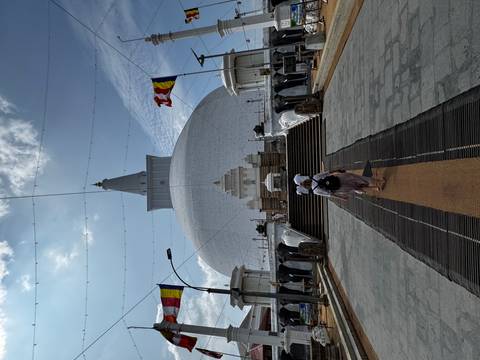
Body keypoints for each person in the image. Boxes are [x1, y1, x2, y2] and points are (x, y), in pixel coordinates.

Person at [294, 171, 385, 200]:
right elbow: (328, 172)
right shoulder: (315, 177)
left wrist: (342, 198)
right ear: (307, 180)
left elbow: (330, 194)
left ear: (307, 187)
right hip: (339, 178)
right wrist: (338, 170)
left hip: (339, 188)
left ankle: (376, 188)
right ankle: (378, 182)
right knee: (357, 178)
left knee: (356, 188)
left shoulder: (315, 191)